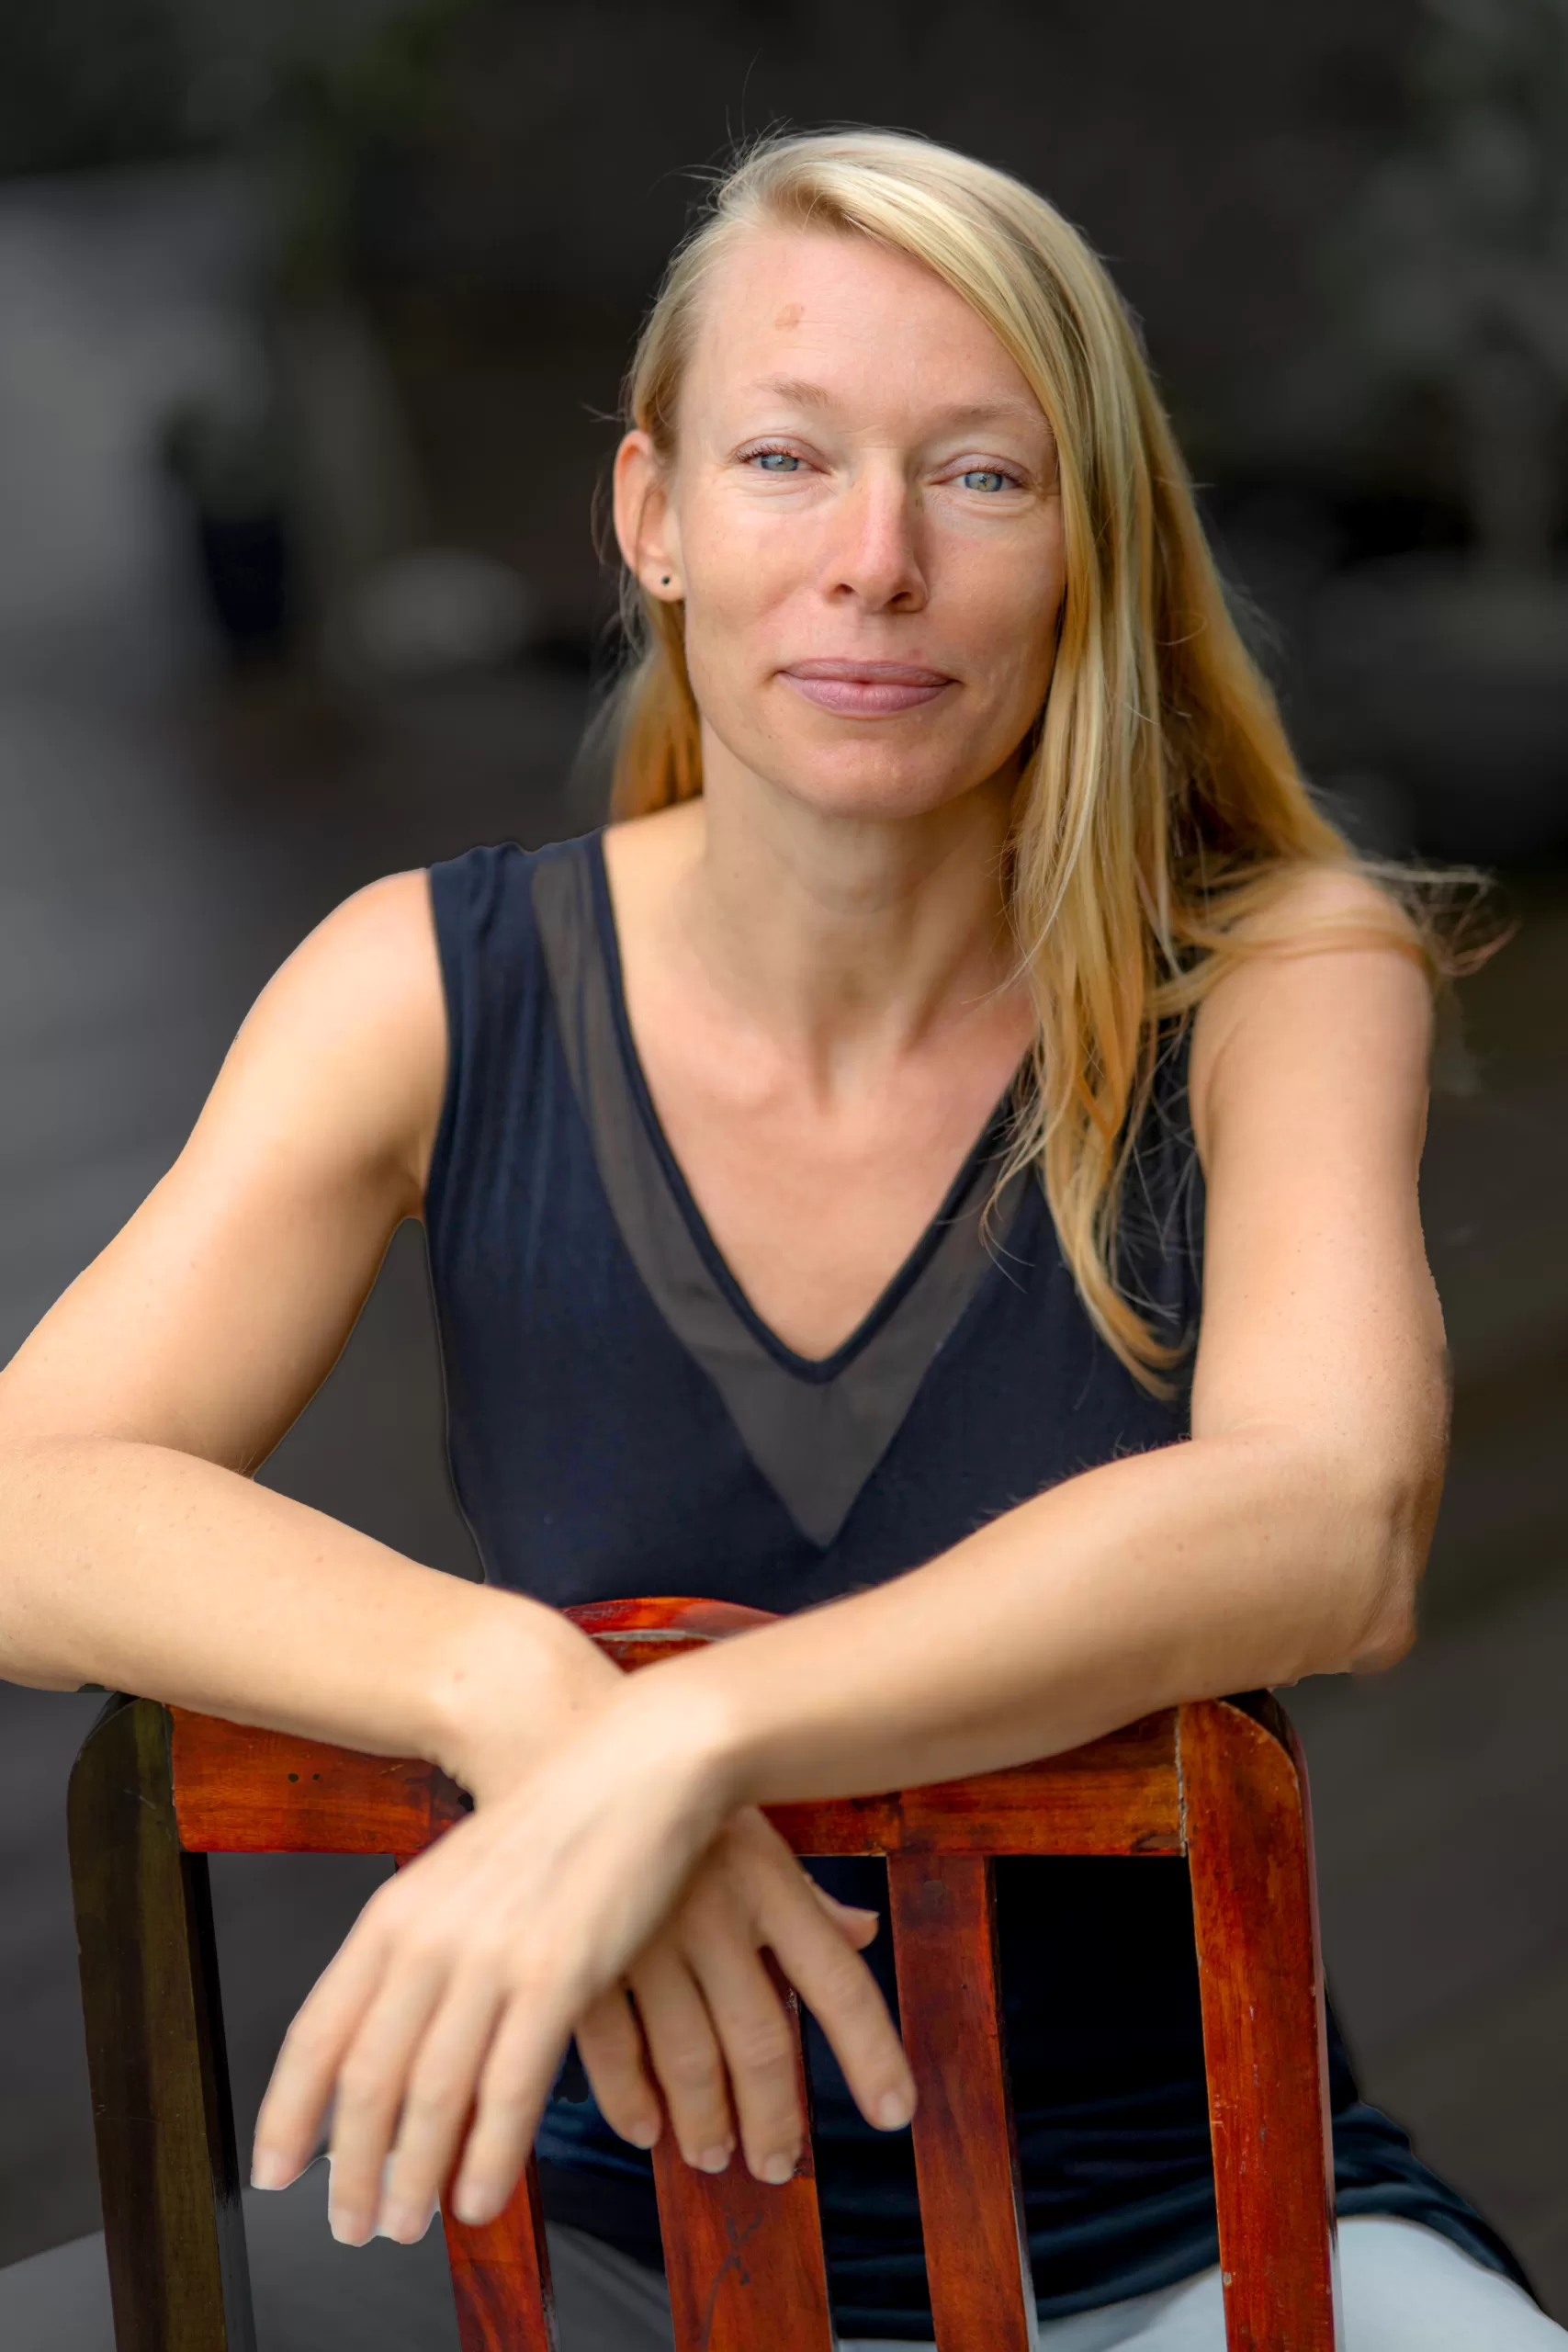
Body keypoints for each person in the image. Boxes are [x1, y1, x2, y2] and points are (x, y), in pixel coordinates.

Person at [0, 130, 1558, 2352]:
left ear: (1091, 543)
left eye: (982, 477)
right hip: (568, 2251)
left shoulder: (1277, 969)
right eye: (782, 458)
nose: (875, 561)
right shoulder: (429, 982)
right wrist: (518, 1686)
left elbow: (1331, 1520)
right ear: (651, 517)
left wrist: (686, 1738)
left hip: (1183, 2241)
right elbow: (28, 1502)